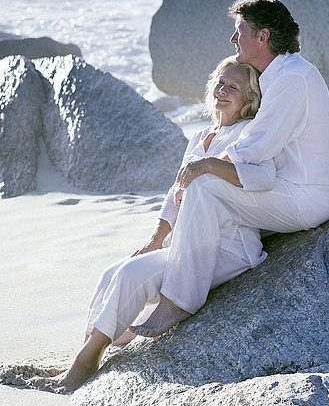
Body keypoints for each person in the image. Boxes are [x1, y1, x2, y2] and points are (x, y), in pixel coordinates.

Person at [129, 0, 329, 339]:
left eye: (239, 31)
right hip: (289, 188)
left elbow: (257, 146)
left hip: (306, 198)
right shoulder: (279, 75)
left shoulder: (292, 78)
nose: (233, 39)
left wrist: (207, 165)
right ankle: (174, 269)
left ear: (263, 37)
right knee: (207, 185)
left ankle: (178, 301)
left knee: (206, 185)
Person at [53, 56, 274, 393]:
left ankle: (83, 366)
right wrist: (157, 238)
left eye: (234, 87)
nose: (224, 90)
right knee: (113, 271)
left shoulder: (248, 133)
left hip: (229, 246)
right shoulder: (201, 136)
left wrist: (209, 167)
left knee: (131, 277)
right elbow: (176, 190)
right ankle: (90, 352)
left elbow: (260, 177)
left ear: (249, 99)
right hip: (188, 242)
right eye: (220, 83)